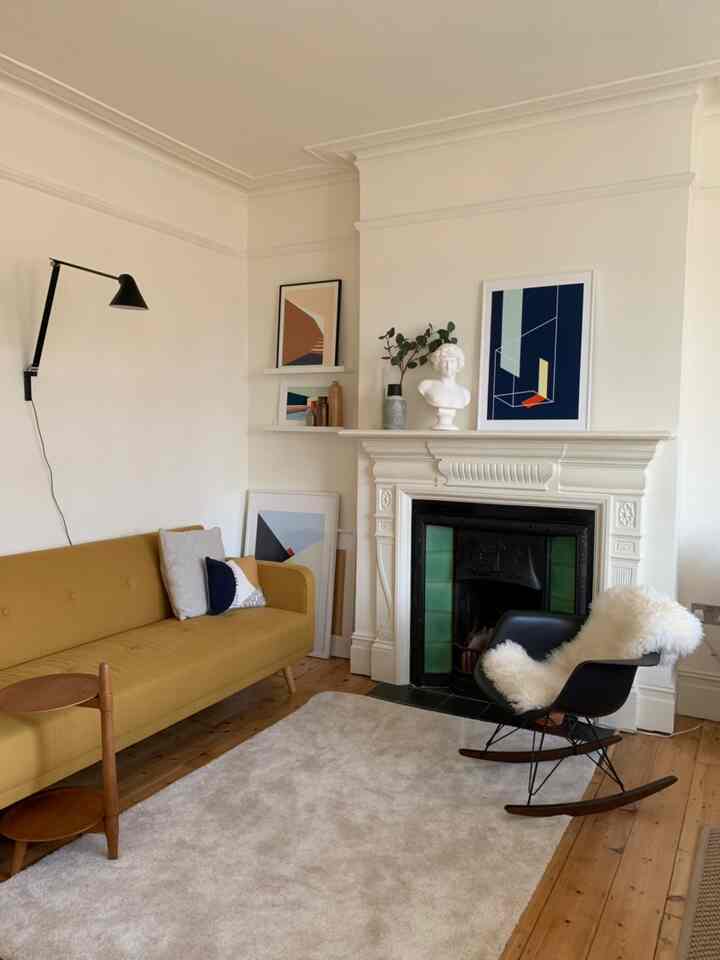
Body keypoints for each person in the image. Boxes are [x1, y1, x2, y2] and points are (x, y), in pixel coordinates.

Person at [418, 341, 471, 430]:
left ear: (458, 364)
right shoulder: (426, 386)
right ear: (437, 363)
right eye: (444, 361)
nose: (449, 366)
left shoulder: (465, 394)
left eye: (452, 361)